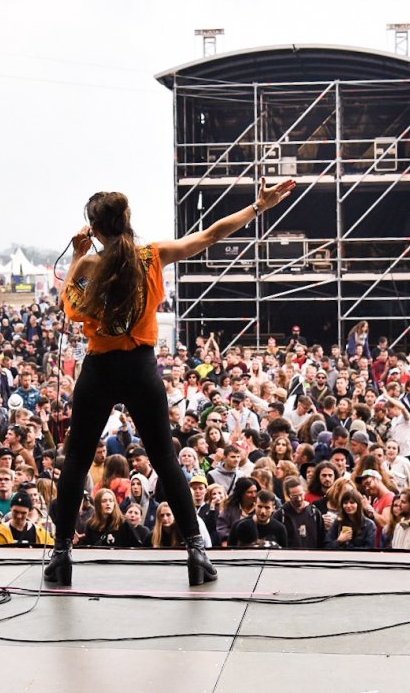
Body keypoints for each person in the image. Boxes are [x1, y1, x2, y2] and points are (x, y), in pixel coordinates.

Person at [46, 181, 296, 587]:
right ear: (127, 222)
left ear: (94, 228)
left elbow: (69, 307)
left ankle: (61, 556)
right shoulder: (152, 256)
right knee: (165, 458)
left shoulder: (89, 266)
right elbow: (211, 234)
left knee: (75, 461)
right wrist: (257, 206)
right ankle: (196, 552)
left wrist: (77, 256)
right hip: (142, 368)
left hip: (100, 368)